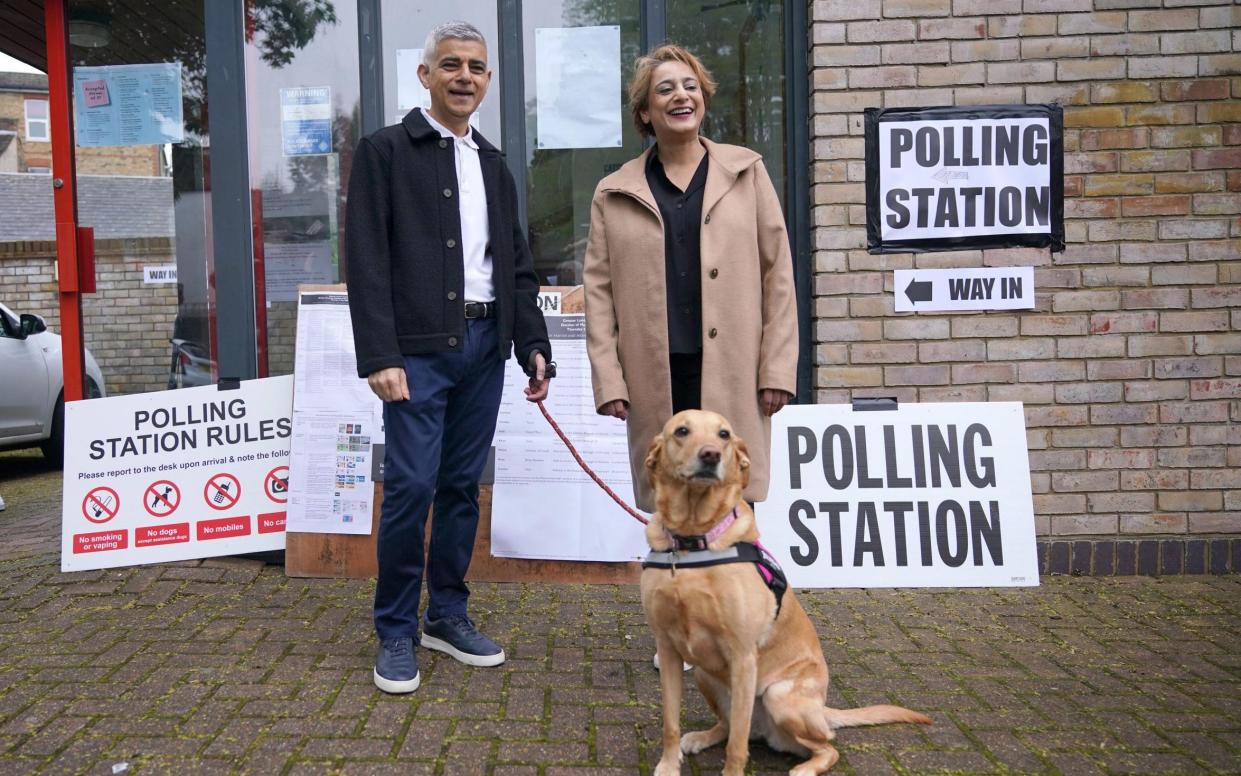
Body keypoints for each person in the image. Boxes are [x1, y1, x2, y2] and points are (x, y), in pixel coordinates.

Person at [346, 21, 552, 695]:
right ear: (424, 74)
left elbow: (514, 265)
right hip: (415, 352)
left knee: (462, 487)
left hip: (483, 350)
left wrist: (532, 346)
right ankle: (396, 630)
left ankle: (448, 616)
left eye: (477, 68)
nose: (465, 76)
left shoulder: (493, 163)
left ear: (487, 81)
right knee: (410, 487)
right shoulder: (384, 152)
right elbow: (367, 260)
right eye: (451, 65)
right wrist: (378, 353)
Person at [583, 43, 798, 523]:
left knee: (734, 496)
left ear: (702, 98)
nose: (681, 96)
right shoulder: (613, 192)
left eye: (690, 86)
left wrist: (778, 368)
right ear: (645, 111)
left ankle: (736, 594)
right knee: (669, 494)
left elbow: (778, 274)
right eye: (665, 89)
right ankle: (679, 592)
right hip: (654, 374)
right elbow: (598, 293)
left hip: (735, 368)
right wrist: (609, 378)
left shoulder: (746, 172)